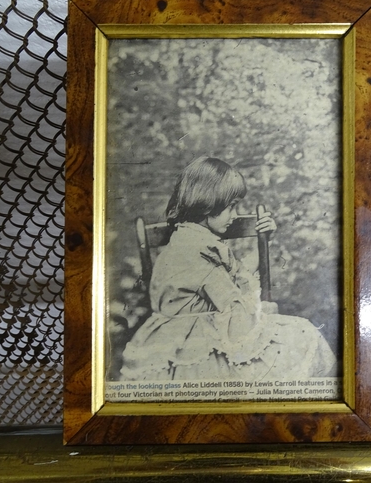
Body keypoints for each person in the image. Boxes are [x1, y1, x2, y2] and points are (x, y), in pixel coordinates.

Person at [120, 156, 337, 382]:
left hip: (184, 338)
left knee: (296, 333)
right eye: (231, 207)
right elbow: (239, 314)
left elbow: (235, 278)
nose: (234, 216)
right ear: (207, 204)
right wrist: (263, 313)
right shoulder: (198, 252)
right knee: (303, 334)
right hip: (192, 352)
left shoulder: (189, 238)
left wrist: (265, 242)